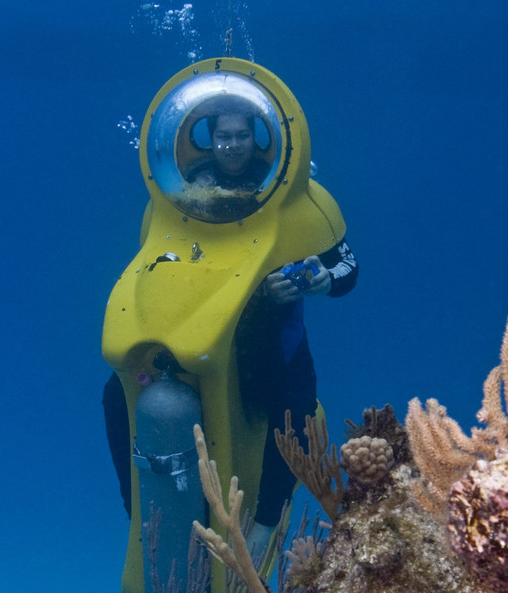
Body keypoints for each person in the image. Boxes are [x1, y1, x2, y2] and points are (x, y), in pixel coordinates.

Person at [102, 105, 359, 563]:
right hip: (195, 338)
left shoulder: (295, 196)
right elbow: (150, 266)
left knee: (297, 408)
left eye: (243, 135)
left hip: (270, 340)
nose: (234, 145)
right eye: (224, 136)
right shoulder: (177, 196)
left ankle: (262, 526)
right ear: (207, 138)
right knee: (114, 395)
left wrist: (323, 279)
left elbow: (348, 266)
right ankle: (138, 511)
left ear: (259, 137)